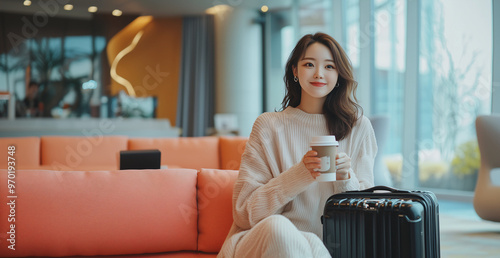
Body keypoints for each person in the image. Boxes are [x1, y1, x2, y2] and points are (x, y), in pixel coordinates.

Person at [217, 32, 378, 258]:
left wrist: (345, 178)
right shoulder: (268, 126)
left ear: (339, 74)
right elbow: (245, 214)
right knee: (279, 228)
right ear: (295, 70)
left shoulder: (359, 128)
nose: (319, 73)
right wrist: (301, 173)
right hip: (264, 242)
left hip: (325, 249)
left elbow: (364, 219)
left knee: (310, 242)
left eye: (329, 66)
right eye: (309, 64)